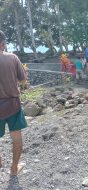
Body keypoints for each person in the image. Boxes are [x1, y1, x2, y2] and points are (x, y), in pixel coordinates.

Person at [0, 30, 28, 176]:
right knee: (16, 139)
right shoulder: (13, 58)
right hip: (12, 106)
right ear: (3, 44)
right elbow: (23, 80)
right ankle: (14, 169)